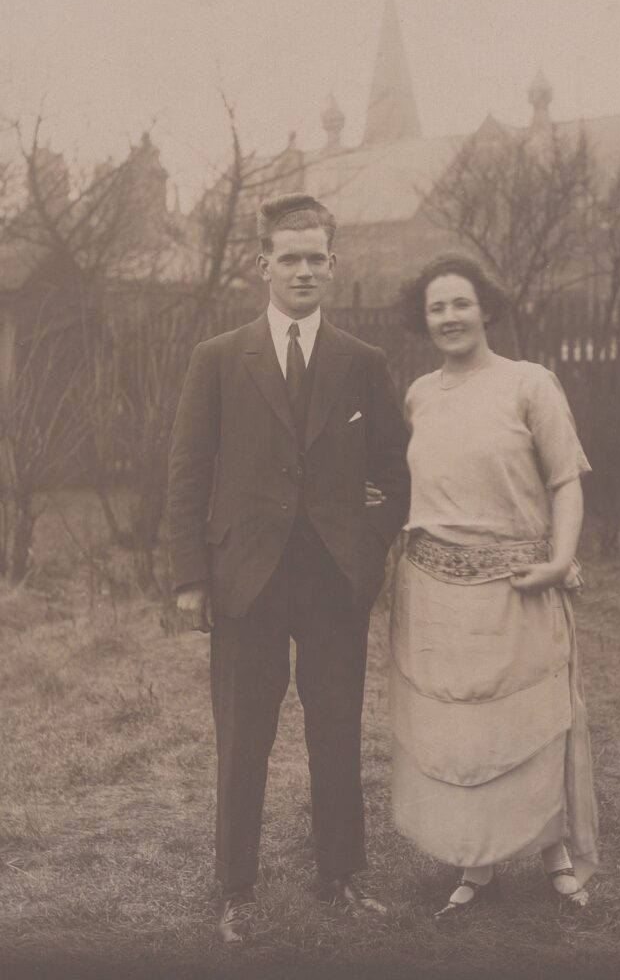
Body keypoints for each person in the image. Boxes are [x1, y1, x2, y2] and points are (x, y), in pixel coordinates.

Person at [167, 193, 410, 944]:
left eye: (317, 258)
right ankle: (235, 889)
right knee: (244, 735)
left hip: (335, 579)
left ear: (333, 266)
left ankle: (340, 875)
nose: (303, 270)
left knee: (336, 730)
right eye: (290, 256)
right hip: (248, 578)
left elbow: (392, 474)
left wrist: (366, 553)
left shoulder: (362, 363)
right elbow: (187, 468)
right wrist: (188, 576)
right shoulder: (218, 357)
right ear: (262, 263)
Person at [390, 254, 598, 919]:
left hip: (520, 585)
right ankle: (475, 860)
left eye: (459, 303)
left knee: (532, 722)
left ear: (485, 309)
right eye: (435, 307)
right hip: (434, 593)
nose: (448, 317)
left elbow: (565, 481)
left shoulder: (528, 384)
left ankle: (553, 852)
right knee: (462, 730)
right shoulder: (419, 395)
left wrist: (559, 557)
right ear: (422, 320)